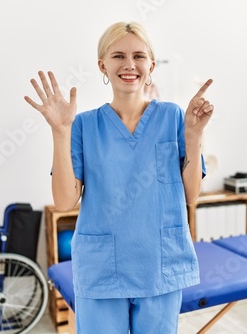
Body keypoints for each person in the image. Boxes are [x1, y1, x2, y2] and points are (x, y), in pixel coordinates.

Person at [25, 21, 214, 333]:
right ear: (102, 65)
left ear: (151, 65)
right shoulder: (83, 125)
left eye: (139, 56)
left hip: (159, 265)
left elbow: (190, 197)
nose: (129, 65)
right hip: (102, 268)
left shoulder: (173, 117)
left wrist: (194, 137)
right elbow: (64, 201)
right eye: (118, 56)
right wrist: (60, 132)